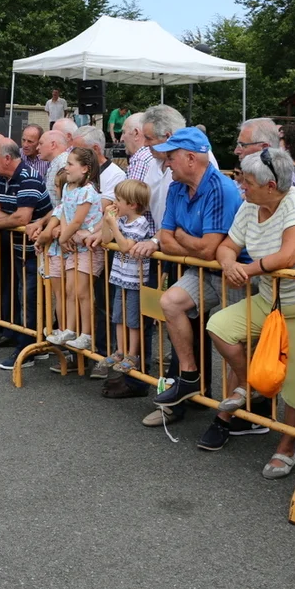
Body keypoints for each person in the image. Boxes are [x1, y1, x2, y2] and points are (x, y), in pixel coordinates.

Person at [207, 148, 295, 471]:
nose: (241, 186)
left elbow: (289, 256)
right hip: (269, 299)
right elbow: (227, 246)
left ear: (271, 186)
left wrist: (246, 271)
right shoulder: (251, 205)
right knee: (219, 327)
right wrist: (230, 264)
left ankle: (287, 447)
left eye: (247, 182)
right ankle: (250, 384)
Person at [147, 128, 248, 447]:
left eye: (171, 157)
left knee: (233, 341)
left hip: (236, 272)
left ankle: (226, 419)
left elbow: (209, 248)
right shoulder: (177, 186)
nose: (166, 163)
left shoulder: (221, 187)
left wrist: (181, 237)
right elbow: (166, 239)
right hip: (206, 270)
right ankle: (189, 376)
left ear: (191, 158)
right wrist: (187, 241)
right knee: (171, 302)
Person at [0, 139, 52, 370]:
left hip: (36, 249)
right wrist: (10, 221)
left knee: (29, 297)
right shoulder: (0, 177)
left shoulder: (29, 177)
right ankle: (33, 343)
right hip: (18, 246)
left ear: (7, 158)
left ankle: (28, 348)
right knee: (24, 296)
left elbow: (22, 217)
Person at [37, 147, 103, 351]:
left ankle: (86, 334)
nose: (66, 167)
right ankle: (70, 329)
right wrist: (64, 238)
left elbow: (77, 221)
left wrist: (64, 237)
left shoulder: (88, 191)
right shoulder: (68, 187)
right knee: (70, 290)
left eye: (70, 164)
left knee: (83, 292)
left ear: (84, 169)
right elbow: (65, 213)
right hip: (74, 246)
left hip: (88, 249)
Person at [92, 179, 153, 378]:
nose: (115, 203)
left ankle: (132, 354)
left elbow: (126, 246)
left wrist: (113, 225)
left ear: (132, 204)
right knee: (118, 315)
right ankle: (119, 350)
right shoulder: (121, 220)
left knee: (132, 318)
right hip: (119, 276)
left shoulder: (140, 223)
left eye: (119, 200)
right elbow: (106, 239)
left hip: (134, 279)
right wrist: (107, 221)